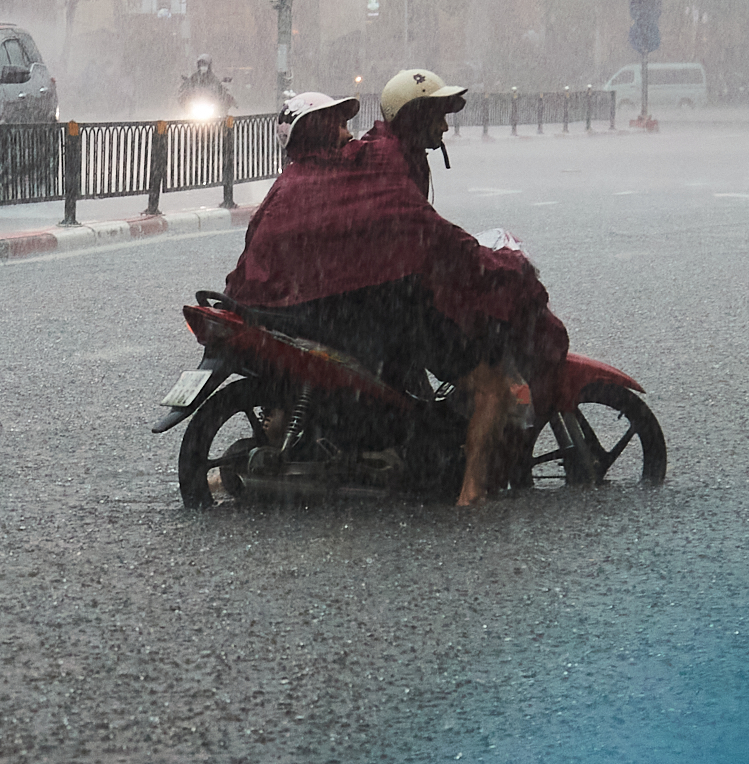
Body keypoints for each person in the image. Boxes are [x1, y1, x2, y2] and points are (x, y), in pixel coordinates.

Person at [226, 74, 567, 507]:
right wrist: (498, 265)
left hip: (348, 303)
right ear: (416, 117)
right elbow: (424, 230)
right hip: (388, 304)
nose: (445, 127)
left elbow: (408, 232)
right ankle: (471, 495)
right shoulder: (380, 164)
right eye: (437, 116)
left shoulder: (327, 171)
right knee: (491, 384)